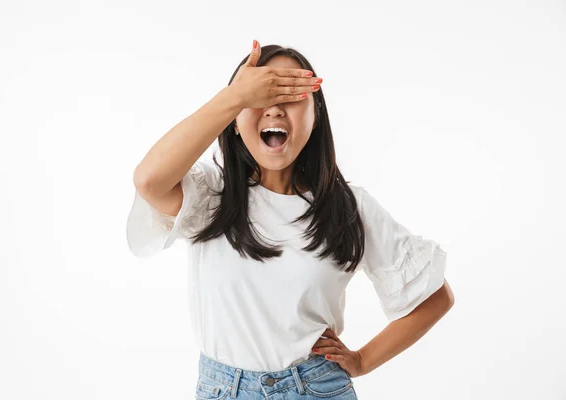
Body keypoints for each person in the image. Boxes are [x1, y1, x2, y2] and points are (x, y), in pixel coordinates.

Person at [126, 40, 455, 399]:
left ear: (315, 118)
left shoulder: (350, 208)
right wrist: (233, 96)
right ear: (234, 122)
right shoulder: (211, 195)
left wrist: (362, 360)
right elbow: (149, 180)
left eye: (290, 94)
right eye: (261, 95)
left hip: (316, 388)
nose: (274, 109)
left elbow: (435, 297)